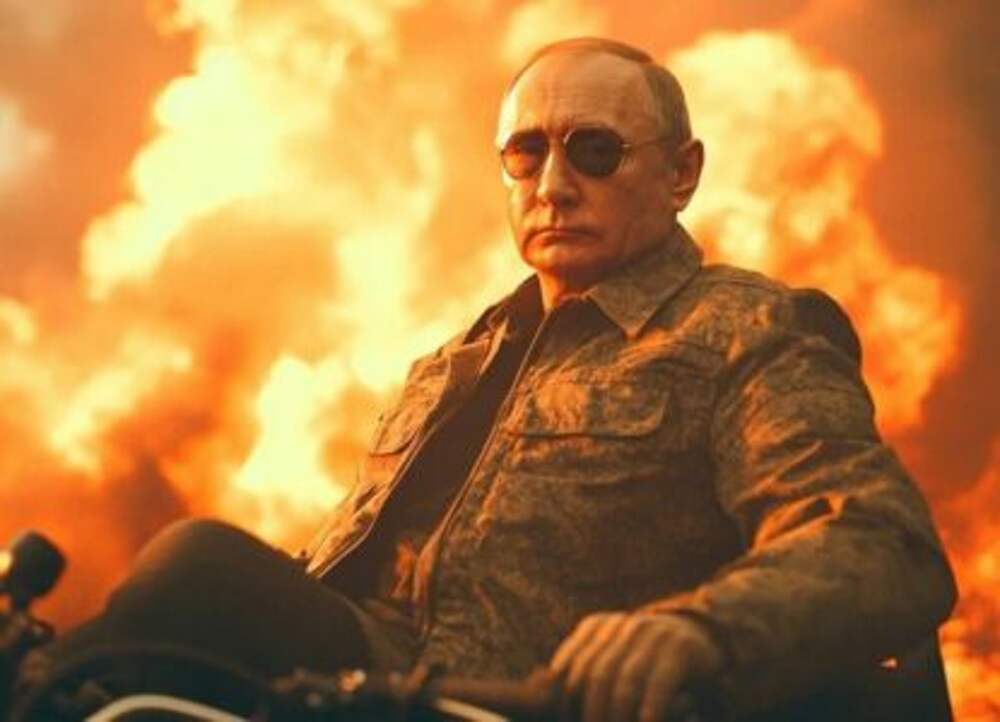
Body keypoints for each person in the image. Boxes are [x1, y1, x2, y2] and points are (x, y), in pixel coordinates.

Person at [19, 37, 956, 722]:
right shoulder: (452, 363)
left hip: (497, 701)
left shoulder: (746, 328)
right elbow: (333, 581)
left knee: (196, 564)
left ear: (681, 174)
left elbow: (882, 544)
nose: (552, 183)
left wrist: (700, 632)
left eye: (595, 150)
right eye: (526, 153)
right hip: (318, 694)